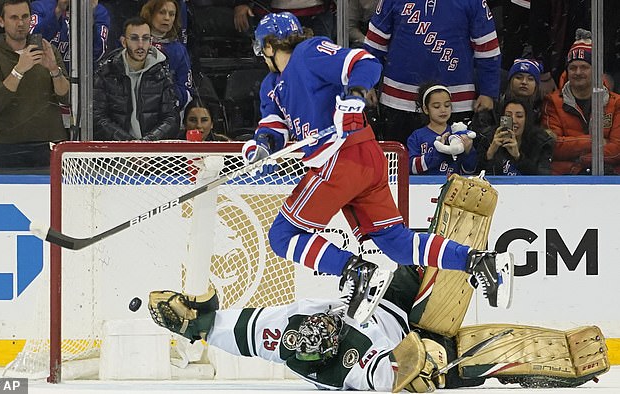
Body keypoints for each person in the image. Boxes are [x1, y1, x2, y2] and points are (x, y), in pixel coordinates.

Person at [241, 12, 512, 316]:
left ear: (266, 46)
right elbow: (272, 127)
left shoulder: (309, 52)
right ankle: (479, 261)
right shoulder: (270, 85)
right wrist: (262, 147)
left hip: (341, 158)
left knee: (282, 235)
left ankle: (357, 274)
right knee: (395, 243)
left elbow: (364, 62)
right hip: (363, 162)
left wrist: (355, 96)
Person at [146, 265, 610, 392]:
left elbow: (235, 329)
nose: (326, 324)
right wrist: (421, 362)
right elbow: (395, 375)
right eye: (328, 333)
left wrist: (197, 324)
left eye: (322, 324)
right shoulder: (340, 368)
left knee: (418, 264)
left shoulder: (283, 334)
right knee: (452, 366)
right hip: (409, 339)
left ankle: (465, 258)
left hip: (387, 305)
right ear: (329, 351)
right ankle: (543, 366)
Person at [363, 0, 501, 145]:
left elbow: (487, 47)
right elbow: (374, 44)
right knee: (400, 160)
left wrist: (488, 92)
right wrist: (367, 82)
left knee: (452, 161)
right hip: (399, 100)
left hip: (455, 101)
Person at [0, 0, 69, 169]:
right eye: (14, 17)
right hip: (8, 147)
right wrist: (18, 70)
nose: (21, 23)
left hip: (50, 143)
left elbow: (66, 97)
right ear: (1, 21)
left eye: (25, 17)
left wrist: (54, 69)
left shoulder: (48, 50)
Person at [541, 29, 620, 175]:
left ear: (596, 70)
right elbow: (552, 146)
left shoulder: (616, 103)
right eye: (573, 67)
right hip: (564, 179)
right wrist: (594, 141)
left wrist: (582, 161)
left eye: (584, 67)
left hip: (608, 179)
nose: (577, 72)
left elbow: (617, 150)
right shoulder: (552, 102)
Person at [93, 16, 179, 141]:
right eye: (134, 38)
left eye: (145, 38)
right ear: (123, 42)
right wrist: (128, 143)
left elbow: (172, 118)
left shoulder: (162, 74)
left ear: (150, 41)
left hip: (152, 154)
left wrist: (147, 143)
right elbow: (97, 117)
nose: (140, 44)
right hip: (115, 153)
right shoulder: (106, 73)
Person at [407, 83, 477, 175]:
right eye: (436, 106)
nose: (443, 110)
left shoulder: (458, 134)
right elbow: (412, 168)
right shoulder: (417, 136)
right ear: (426, 109)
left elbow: (470, 170)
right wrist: (439, 150)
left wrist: (469, 151)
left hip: (453, 185)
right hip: (423, 186)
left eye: (447, 105)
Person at [477, 97, 554, 175]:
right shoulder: (487, 139)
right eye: (508, 115)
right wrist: (490, 154)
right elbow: (476, 177)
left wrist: (518, 157)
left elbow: (542, 177)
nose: (513, 120)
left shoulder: (541, 142)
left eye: (519, 116)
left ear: (527, 120)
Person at [140, 0, 194, 110]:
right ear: (150, 13)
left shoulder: (179, 50)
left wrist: (168, 102)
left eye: (172, 14)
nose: (167, 18)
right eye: (162, 12)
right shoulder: (136, 43)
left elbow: (185, 89)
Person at [29, 0, 111, 70]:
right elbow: (32, 41)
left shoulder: (99, 12)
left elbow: (97, 54)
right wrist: (58, 11)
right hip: (44, 75)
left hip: (81, 82)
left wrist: (89, 14)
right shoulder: (40, 7)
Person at [500, 58, 543, 125]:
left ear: (536, 85)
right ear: (511, 81)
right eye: (519, 77)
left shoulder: (542, 108)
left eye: (530, 79)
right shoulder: (498, 104)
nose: (524, 82)